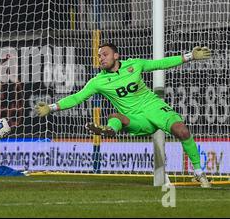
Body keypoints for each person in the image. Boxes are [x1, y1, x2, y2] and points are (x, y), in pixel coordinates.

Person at [35, 43, 212, 188]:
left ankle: (198, 173)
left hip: (155, 108)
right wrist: (51, 107)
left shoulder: (134, 65)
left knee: (182, 132)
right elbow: (77, 97)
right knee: (116, 116)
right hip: (135, 119)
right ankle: (110, 129)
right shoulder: (97, 81)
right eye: (99, 56)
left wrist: (189, 56)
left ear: (116, 56)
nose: (101, 58)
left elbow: (160, 63)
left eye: (104, 54)